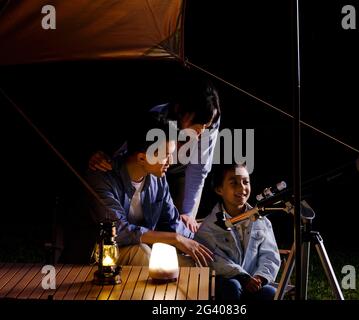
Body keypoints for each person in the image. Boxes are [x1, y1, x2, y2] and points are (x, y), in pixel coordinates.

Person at [88, 71, 221, 233]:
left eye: (206, 126)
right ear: (180, 109)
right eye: (198, 124)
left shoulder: (208, 125)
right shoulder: (157, 117)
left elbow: (199, 169)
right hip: (149, 169)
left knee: (177, 222)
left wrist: (188, 214)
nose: (201, 131)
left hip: (177, 174)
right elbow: (132, 153)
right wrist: (105, 165)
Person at [84, 117, 213, 267]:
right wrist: (175, 239)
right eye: (166, 156)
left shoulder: (157, 178)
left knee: (197, 262)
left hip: (145, 252)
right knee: (141, 253)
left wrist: (205, 241)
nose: (171, 162)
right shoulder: (102, 178)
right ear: (141, 158)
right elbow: (119, 231)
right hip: (102, 256)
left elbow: (172, 221)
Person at [194, 164, 281, 300]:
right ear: (219, 189)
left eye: (245, 182)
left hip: (254, 283)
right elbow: (215, 260)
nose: (242, 188)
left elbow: (270, 254)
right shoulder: (208, 227)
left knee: (270, 293)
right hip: (226, 282)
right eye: (233, 183)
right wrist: (243, 277)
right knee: (231, 286)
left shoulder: (261, 221)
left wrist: (260, 277)